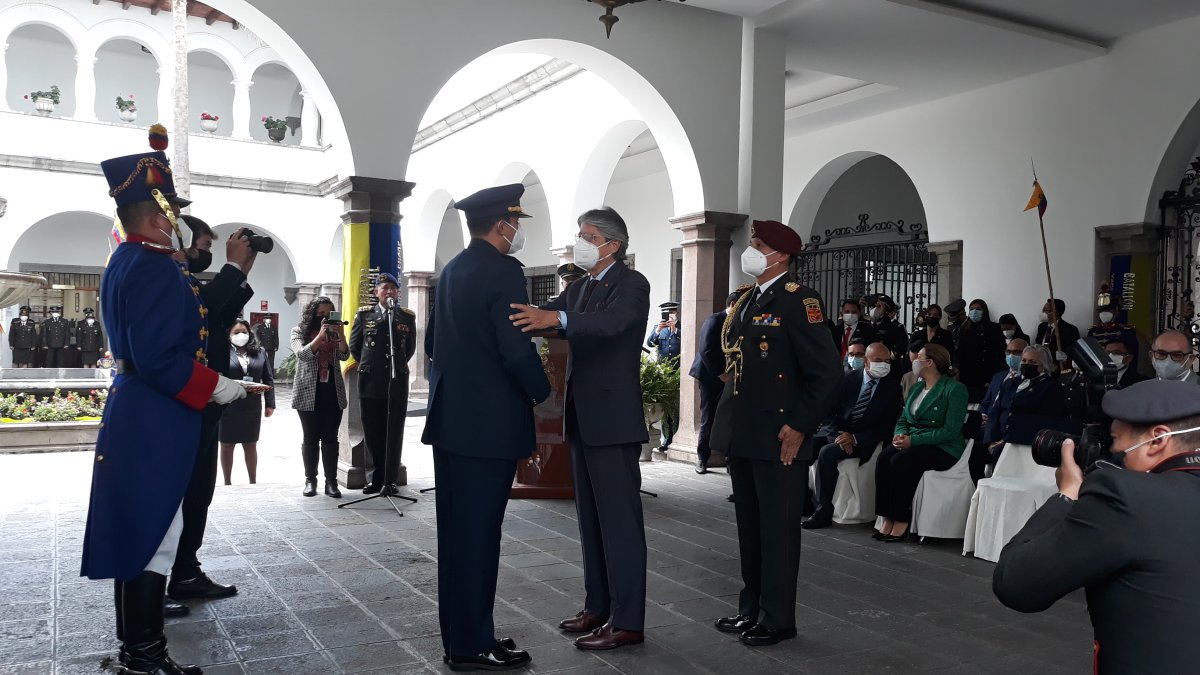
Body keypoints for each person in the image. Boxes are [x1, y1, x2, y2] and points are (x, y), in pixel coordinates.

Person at [84, 133, 248, 674]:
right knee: (156, 536)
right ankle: (146, 658)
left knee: (144, 533)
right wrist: (215, 385)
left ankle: (141, 652)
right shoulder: (152, 266)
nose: (176, 218)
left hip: (140, 410)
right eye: (172, 209)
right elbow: (157, 358)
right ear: (157, 215)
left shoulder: (129, 259)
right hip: (155, 414)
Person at [510, 206, 651, 651]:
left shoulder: (632, 284)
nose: (581, 242)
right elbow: (542, 313)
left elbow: (613, 325)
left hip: (612, 421)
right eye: (581, 235)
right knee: (591, 521)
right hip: (583, 418)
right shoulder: (580, 287)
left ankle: (628, 620)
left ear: (613, 243)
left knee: (621, 523)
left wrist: (559, 320)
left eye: (589, 236)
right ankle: (599, 605)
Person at [423, 184, 549, 671]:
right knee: (478, 536)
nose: (516, 233)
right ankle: (474, 644)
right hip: (488, 427)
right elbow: (516, 348)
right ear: (503, 225)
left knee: (456, 536)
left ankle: (459, 636)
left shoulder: (452, 270)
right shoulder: (503, 272)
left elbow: (433, 341)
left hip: (451, 422)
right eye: (515, 224)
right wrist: (542, 395)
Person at [993, 379, 1200, 674]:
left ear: (1157, 440)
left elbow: (1016, 584)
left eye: (1114, 439)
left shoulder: (1125, 497)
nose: (1110, 450)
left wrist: (1067, 494)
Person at [708, 219, 841, 647]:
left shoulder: (799, 301)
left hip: (780, 435)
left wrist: (800, 427)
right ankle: (752, 608)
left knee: (779, 530)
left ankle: (778, 617)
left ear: (780, 256)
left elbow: (826, 376)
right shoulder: (748, 299)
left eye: (759, 244)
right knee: (751, 527)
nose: (751, 250)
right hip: (745, 432)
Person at [167, 213, 255, 607]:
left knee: (198, 492)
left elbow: (212, 316)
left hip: (199, 404)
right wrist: (232, 267)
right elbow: (202, 314)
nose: (208, 253)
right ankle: (157, 579)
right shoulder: (165, 276)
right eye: (203, 246)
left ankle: (185, 570)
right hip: (181, 404)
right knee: (174, 497)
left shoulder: (183, 279)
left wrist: (241, 271)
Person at [803, 341, 902, 529]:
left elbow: (886, 426)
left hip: (864, 440)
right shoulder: (847, 379)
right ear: (866, 361)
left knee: (827, 453)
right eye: (878, 360)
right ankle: (803, 502)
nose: (883, 365)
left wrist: (855, 439)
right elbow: (829, 412)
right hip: (838, 432)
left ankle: (824, 511)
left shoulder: (892, 388)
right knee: (805, 444)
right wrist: (839, 437)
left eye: (887, 361)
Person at [874, 343, 967, 541]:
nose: (914, 359)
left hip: (943, 447)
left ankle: (901, 519)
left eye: (920, 357)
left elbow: (950, 431)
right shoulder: (917, 387)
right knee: (884, 457)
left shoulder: (955, 389)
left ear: (930, 362)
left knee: (901, 461)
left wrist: (913, 441)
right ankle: (886, 516)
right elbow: (903, 418)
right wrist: (899, 435)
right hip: (914, 441)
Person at [350, 273, 417, 493]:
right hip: (370, 381)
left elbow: (409, 349)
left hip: (396, 381)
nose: (389, 292)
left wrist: (393, 367)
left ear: (398, 293)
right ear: (376, 292)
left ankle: (390, 479)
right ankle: (374, 479)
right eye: (385, 288)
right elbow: (355, 347)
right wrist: (375, 365)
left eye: (393, 288)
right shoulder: (364, 315)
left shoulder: (406, 317)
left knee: (394, 430)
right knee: (372, 430)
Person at [291, 297, 350, 497]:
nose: (324, 318)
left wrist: (340, 335)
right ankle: (310, 480)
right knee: (310, 437)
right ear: (312, 314)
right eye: (320, 314)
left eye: (328, 314)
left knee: (330, 438)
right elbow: (303, 354)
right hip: (308, 391)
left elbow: (344, 356)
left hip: (332, 391)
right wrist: (320, 336)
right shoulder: (299, 331)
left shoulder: (335, 333)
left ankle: (331, 483)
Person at [219, 319, 275, 485]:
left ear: (249, 333)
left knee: (250, 444)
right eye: (236, 332)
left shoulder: (260, 352)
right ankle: (227, 481)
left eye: (243, 331)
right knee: (227, 444)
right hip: (228, 405)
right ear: (229, 335)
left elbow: (268, 378)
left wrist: (270, 403)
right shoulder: (222, 352)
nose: (240, 335)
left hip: (252, 406)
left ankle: (253, 480)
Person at [689, 292, 740, 474]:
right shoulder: (714, 320)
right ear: (732, 304)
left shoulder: (738, 323)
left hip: (730, 376)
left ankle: (729, 461)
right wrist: (721, 374)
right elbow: (706, 350)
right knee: (708, 418)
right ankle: (702, 458)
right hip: (710, 376)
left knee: (729, 418)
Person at [955, 298, 1006, 404]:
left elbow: (999, 355)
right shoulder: (964, 329)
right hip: (968, 378)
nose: (974, 312)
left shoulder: (994, 328)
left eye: (978, 309)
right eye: (971, 309)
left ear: (984, 311)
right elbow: (961, 355)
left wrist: (992, 378)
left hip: (988, 377)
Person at [646, 301, 681, 452]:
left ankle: (677, 437)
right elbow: (649, 343)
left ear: (676, 314)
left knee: (677, 408)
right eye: (666, 313)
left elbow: (688, 342)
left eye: (671, 313)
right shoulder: (658, 328)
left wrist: (676, 331)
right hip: (664, 374)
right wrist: (658, 331)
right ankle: (667, 438)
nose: (669, 317)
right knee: (666, 408)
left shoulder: (682, 328)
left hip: (679, 373)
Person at [869, 294, 909, 374]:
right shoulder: (870, 325)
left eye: (879, 307)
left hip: (889, 366)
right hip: (871, 365)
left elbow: (902, 347)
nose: (875, 309)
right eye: (874, 306)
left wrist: (887, 357)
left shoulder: (896, 327)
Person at [1035, 298, 1081, 368]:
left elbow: (1076, 354)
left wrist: (1066, 358)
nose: (1043, 312)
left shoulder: (1070, 329)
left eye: (1045, 310)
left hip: (1059, 368)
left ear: (1055, 312)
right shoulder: (1042, 327)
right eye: (1043, 310)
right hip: (1041, 367)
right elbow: (1038, 344)